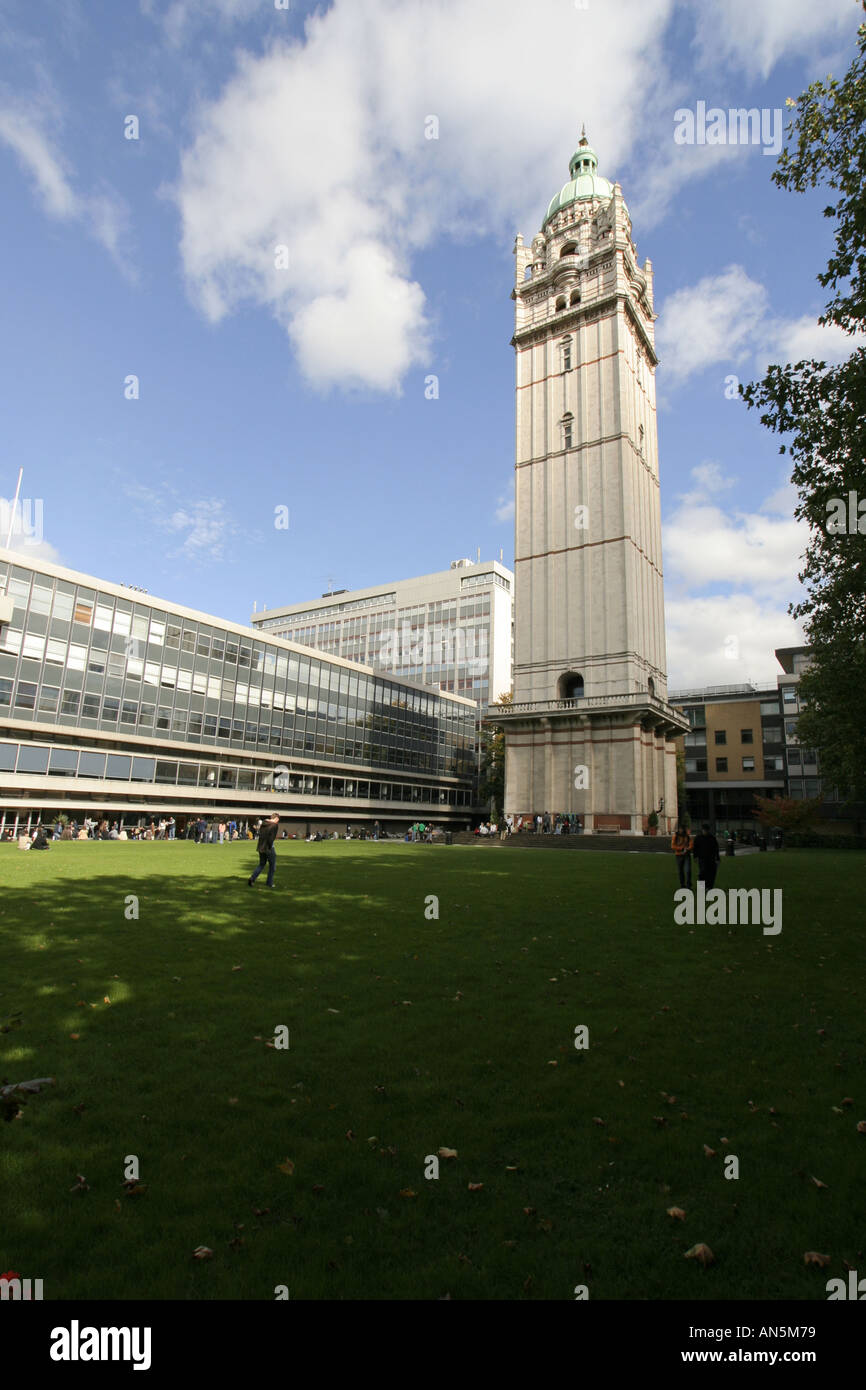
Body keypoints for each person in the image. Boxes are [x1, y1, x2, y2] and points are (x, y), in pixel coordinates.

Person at [248, 812, 280, 889]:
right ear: (276, 818)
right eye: (278, 819)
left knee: (261, 864)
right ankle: (269, 882)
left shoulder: (264, 823)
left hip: (261, 847)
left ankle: (252, 878)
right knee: (272, 866)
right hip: (269, 848)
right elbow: (271, 838)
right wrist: (270, 847)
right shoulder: (274, 825)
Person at [692, 822, 721, 890]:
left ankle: (709, 886)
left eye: (706, 830)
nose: (705, 832)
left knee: (711, 873)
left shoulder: (712, 838)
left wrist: (717, 858)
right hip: (702, 858)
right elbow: (695, 848)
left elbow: (716, 849)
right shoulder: (698, 838)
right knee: (702, 872)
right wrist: (695, 856)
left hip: (711, 858)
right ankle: (701, 887)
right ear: (702, 830)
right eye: (704, 830)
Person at [672, 822, 693, 888]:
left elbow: (691, 844)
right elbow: (673, 846)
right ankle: (682, 884)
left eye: (682, 829)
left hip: (686, 855)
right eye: (680, 829)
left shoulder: (687, 836)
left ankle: (688, 885)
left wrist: (687, 849)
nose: (681, 830)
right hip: (679, 855)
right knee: (680, 871)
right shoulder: (675, 836)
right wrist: (681, 848)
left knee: (688, 871)